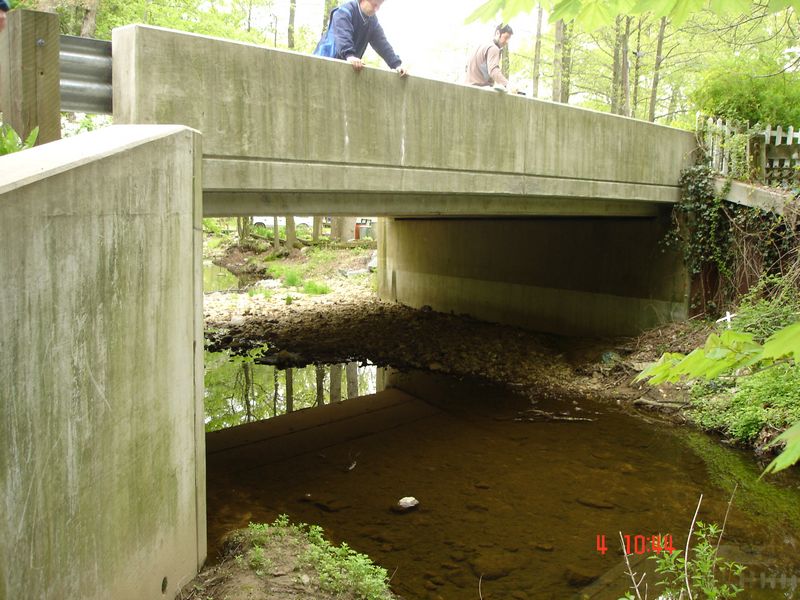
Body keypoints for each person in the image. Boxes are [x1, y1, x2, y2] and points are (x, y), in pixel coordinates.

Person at [314, 0, 407, 77]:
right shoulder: (344, 12)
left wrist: (396, 65)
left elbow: (382, 44)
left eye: (379, 6)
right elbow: (343, 35)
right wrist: (349, 55)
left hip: (344, 70)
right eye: (374, 5)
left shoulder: (372, 22)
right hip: (323, 64)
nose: (376, 9)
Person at [464, 24, 514, 89]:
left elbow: (466, 67)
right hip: (480, 90)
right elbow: (493, 71)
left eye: (509, 39)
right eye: (506, 37)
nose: (507, 42)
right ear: (497, 33)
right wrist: (508, 84)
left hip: (467, 87)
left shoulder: (481, 45)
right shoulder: (493, 48)